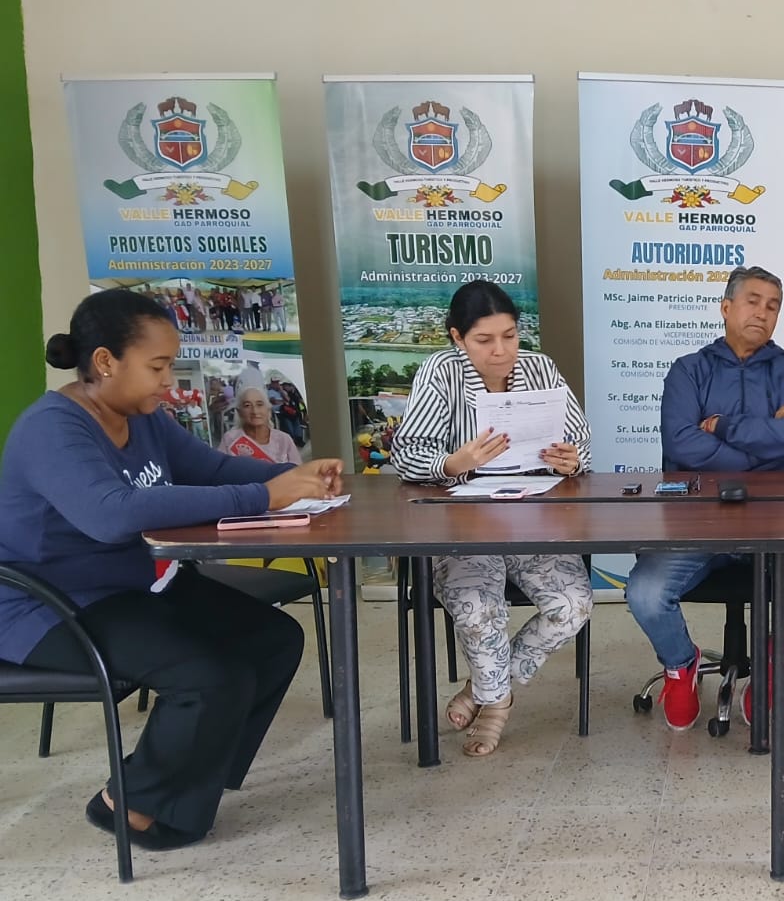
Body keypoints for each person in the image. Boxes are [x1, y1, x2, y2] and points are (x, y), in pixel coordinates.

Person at [0, 290, 342, 850]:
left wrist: (294, 478)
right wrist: (264, 496)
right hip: (51, 604)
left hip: (134, 582)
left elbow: (212, 469)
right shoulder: (52, 429)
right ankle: (130, 801)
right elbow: (110, 515)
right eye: (157, 366)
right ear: (106, 362)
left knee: (273, 640)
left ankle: (189, 781)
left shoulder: (142, 417)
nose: (167, 381)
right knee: (210, 677)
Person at [626, 266, 784, 731]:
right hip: (699, 522)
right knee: (645, 592)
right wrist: (765, 450)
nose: (762, 312)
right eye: (752, 301)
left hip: (780, 523)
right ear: (726, 308)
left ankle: (773, 669)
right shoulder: (689, 370)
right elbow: (682, 442)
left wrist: (724, 426)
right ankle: (680, 665)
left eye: (772, 306)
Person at [390, 280, 593, 757]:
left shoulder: (540, 368)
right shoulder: (441, 372)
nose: (501, 351)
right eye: (484, 340)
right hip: (462, 522)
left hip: (531, 517)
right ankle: (497, 703)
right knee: (478, 607)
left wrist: (571, 460)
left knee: (573, 605)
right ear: (457, 338)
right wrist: (453, 463)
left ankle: (482, 688)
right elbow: (406, 455)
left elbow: (582, 443)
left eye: (509, 336)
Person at [219, 385, 302, 464]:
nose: (255, 411)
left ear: (268, 409)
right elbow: (220, 470)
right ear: (239, 412)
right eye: (247, 405)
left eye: (259, 404)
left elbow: (299, 471)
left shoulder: (284, 439)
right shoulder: (230, 439)